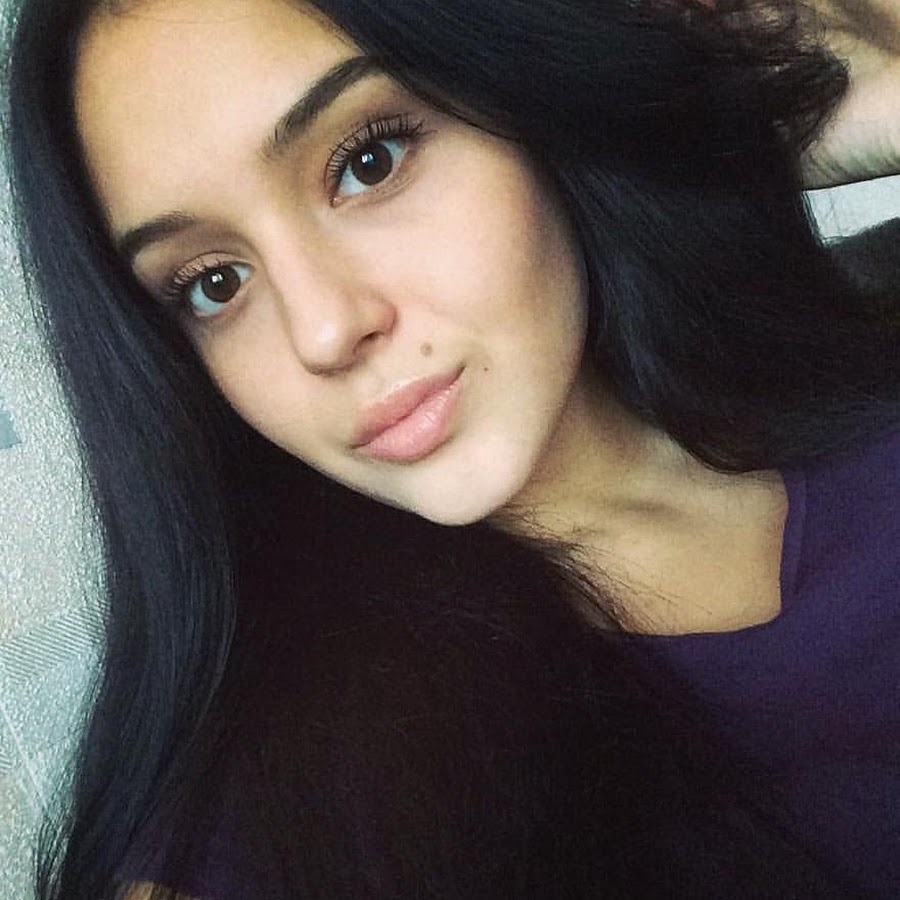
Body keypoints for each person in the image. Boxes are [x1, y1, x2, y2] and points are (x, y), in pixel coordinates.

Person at [4, 0, 899, 897]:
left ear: (523, 94)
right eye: (213, 284)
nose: (323, 331)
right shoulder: (278, 807)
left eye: (369, 162)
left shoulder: (861, 371)